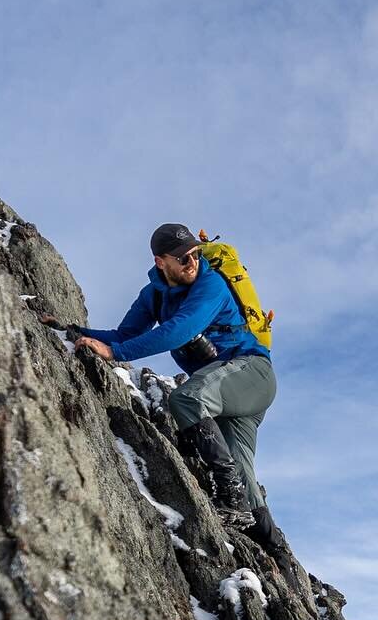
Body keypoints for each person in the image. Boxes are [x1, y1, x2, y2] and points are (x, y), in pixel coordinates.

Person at [73, 222, 283, 544]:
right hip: (226, 393)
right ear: (161, 262)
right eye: (183, 258)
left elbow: (180, 330)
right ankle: (274, 551)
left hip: (251, 373)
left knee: (187, 399)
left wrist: (115, 354)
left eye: (196, 255)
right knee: (246, 479)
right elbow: (124, 335)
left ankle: (229, 497)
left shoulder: (210, 285)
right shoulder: (153, 296)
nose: (192, 263)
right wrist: (76, 331)